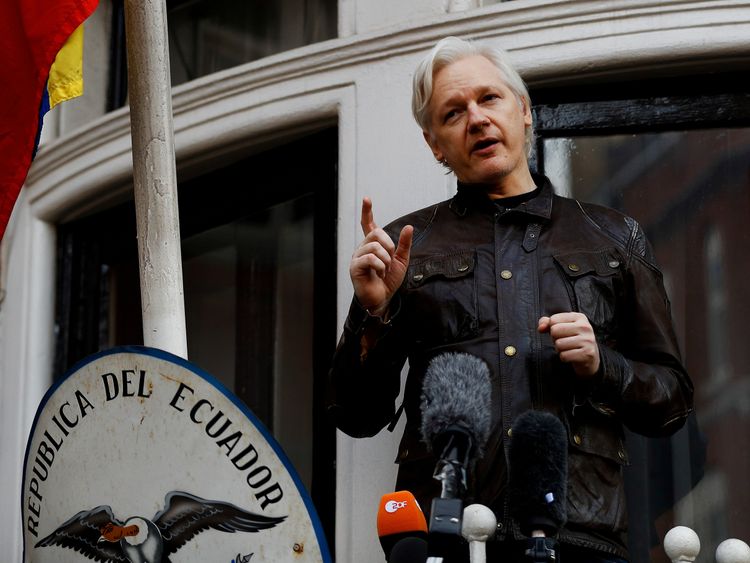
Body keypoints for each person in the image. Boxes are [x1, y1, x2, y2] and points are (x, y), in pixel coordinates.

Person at [327, 36, 693, 562]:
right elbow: (355, 416)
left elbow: (673, 402)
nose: (476, 119)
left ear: (523, 111)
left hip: (579, 537)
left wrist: (602, 366)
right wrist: (374, 312)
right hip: (446, 535)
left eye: (489, 99)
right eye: (454, 112)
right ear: (436, 144)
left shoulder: (613, 237)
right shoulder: (404, 246)